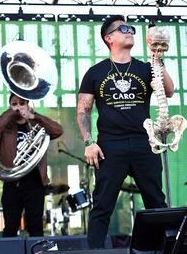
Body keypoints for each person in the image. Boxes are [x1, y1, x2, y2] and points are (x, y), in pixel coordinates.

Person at [76, 15, 174, 248]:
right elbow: (83, 111)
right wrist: (89, 142)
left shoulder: (145, 67)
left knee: (156, 202)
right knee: (102, 205)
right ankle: (96, 252)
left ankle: (160, 249)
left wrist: (158, 59)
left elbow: (168, 91)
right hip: (110, 145)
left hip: (145, 142)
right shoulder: (95, 72)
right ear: (109, 38)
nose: (130, 31)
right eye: (124, 29)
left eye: (131, 28)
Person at [0, 92, 63, 237]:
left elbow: (58, 130)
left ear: (28, 105)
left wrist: (34, 116)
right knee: (10, 228)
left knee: (35, 228)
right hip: (12, 182)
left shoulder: (36, 124)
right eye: (14, 104)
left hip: (34, 183)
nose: (18, 107)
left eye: (22, 103)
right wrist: (10, 113)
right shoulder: (6, 125)